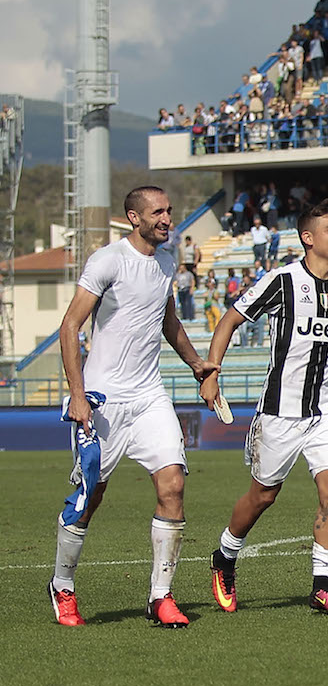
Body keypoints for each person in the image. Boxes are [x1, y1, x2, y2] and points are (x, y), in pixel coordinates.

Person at [48, 186, 218, 628]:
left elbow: (167, 321)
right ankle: (62, 584)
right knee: (91, 497)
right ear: (133, 217)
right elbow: (69, 327)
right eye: (158, 212)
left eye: (169, 209)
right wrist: (79, 395)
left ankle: (161, 597)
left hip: (149, 397)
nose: (167, 218)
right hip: (103, 400)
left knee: (173, 485)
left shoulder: (166, 262)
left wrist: (196, 362)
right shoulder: (107, 260)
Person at [201, 199, 328, 616]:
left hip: (325, 409)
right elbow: (230, 320)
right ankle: (225, 555)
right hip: (280, 411)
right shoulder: (282, 281)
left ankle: (321, 586)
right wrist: (211, 373)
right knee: (263, 496)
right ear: (308, 238)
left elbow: (325, 343)